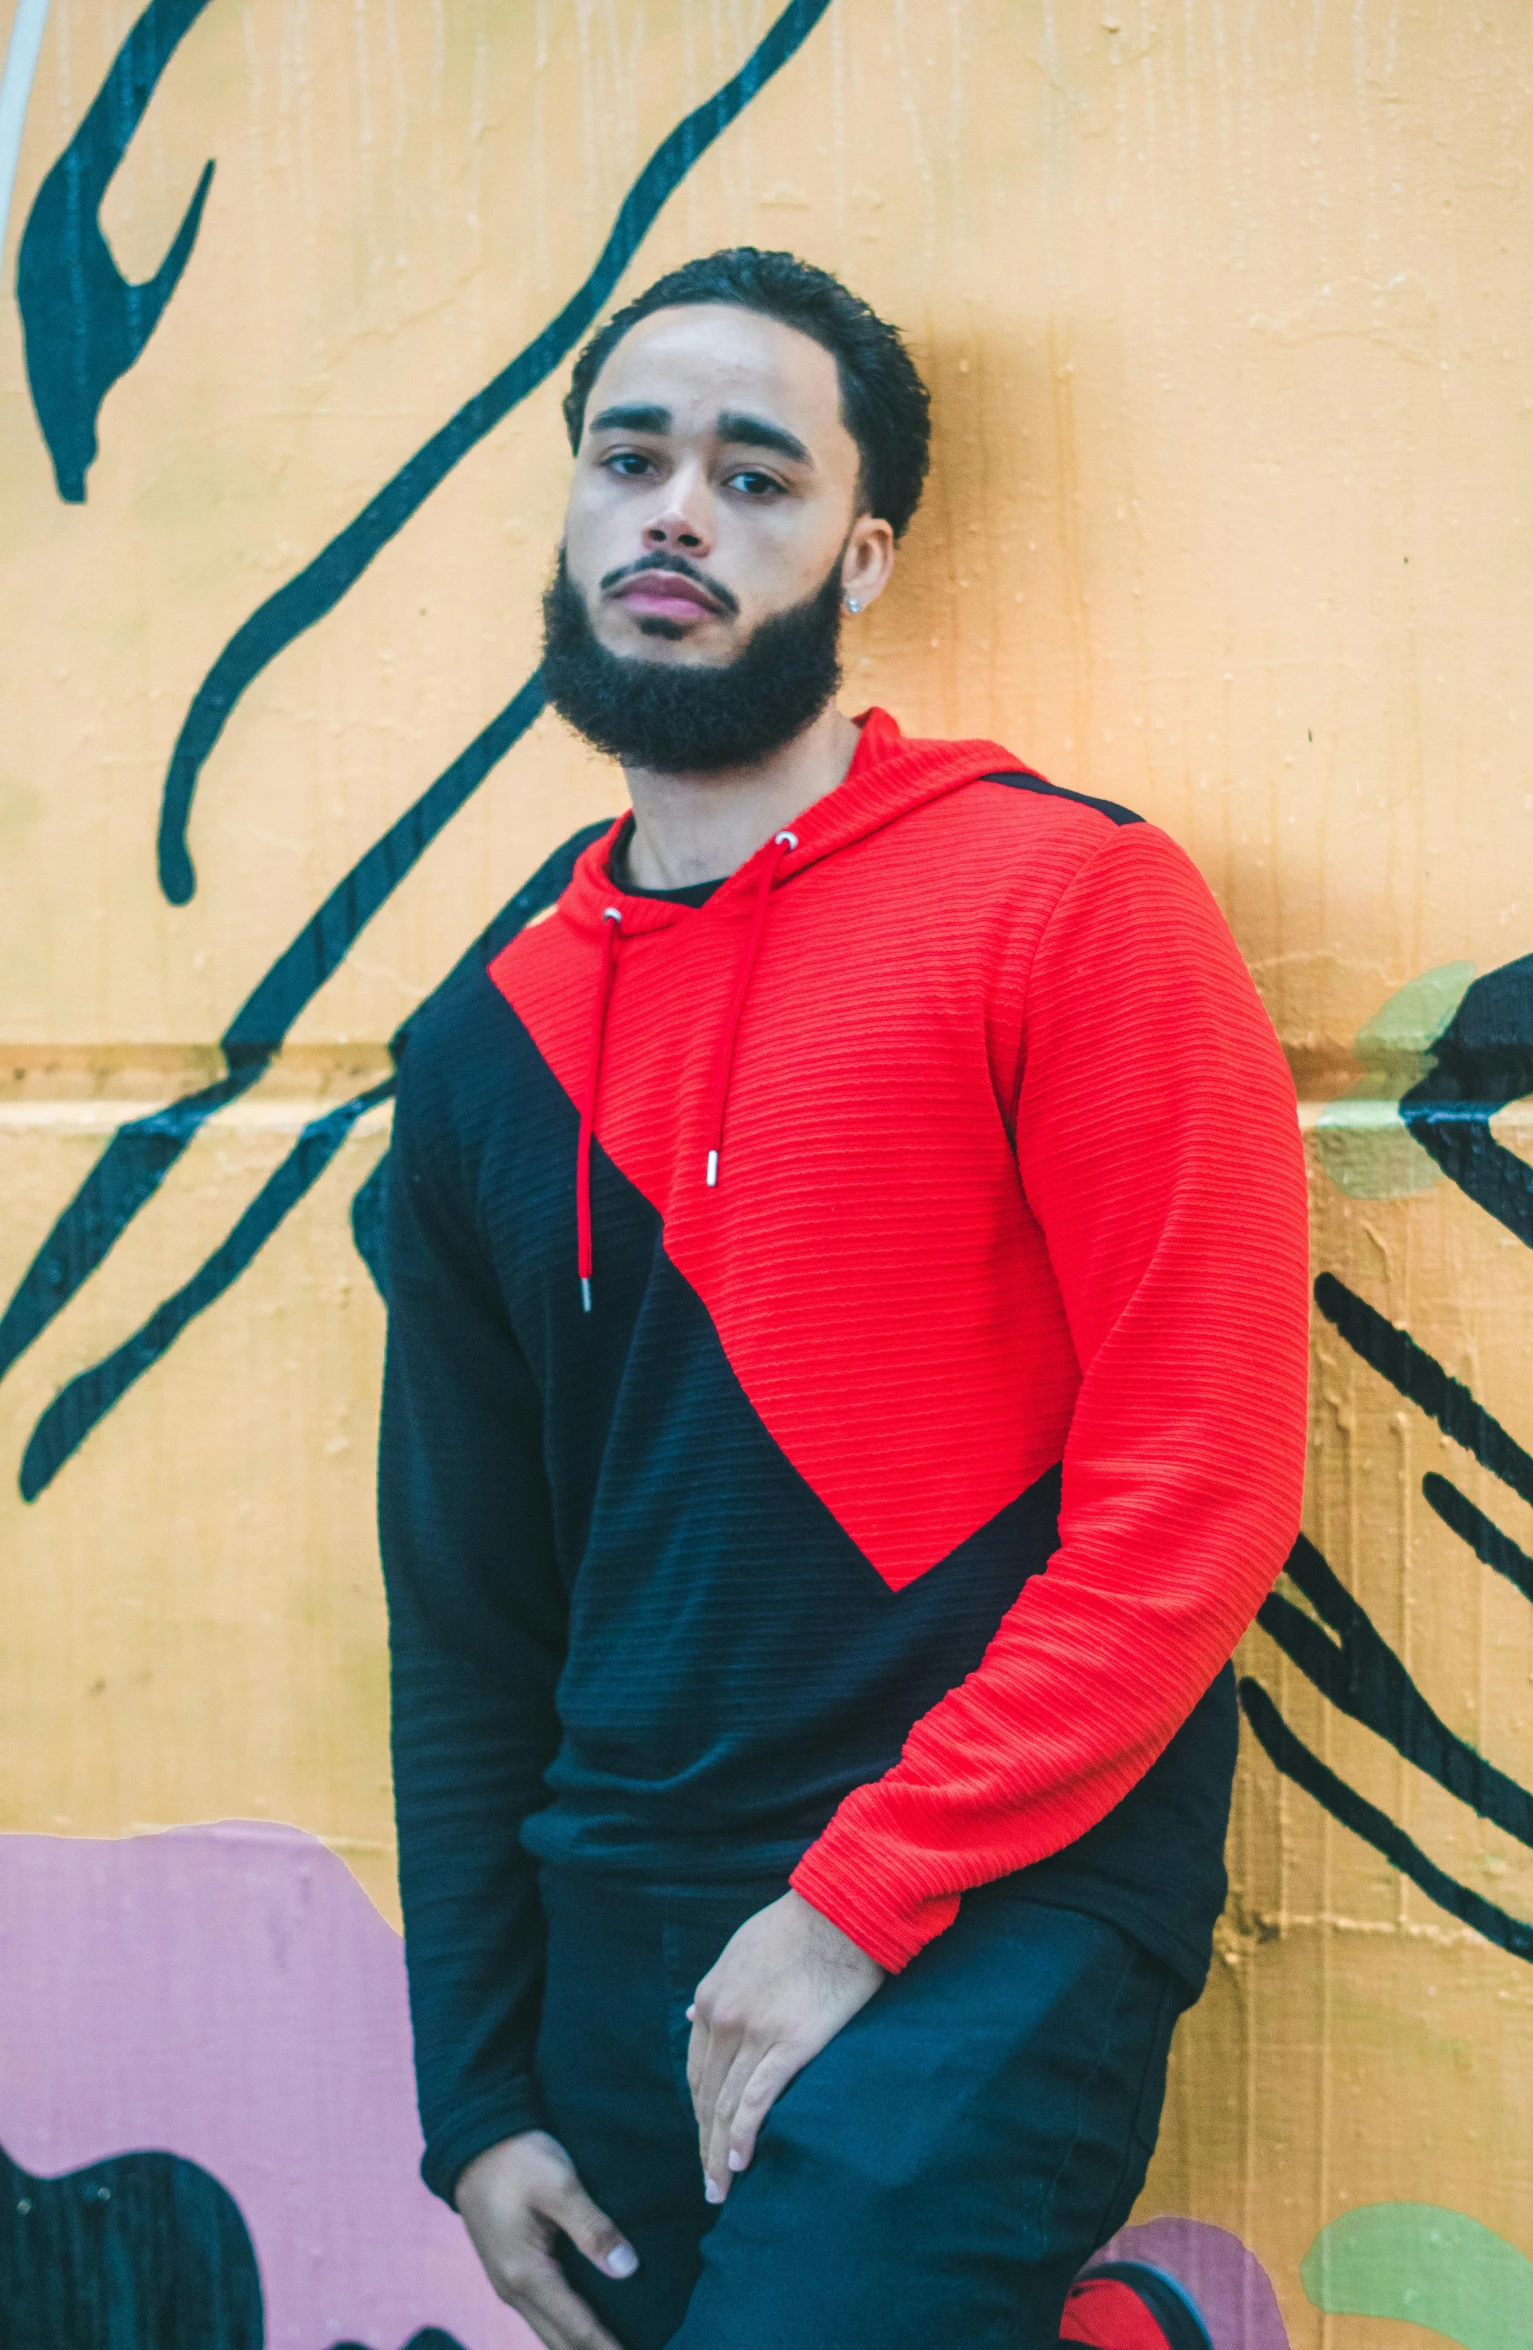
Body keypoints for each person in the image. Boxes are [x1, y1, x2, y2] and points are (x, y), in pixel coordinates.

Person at [377, 247, 1308, 2350]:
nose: (677, 511)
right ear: (575, 512)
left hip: (999, 1898)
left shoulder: (1063, 904)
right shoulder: (481, 1048)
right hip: (627, 1923)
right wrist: (477, 2090)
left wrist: (861, 1893)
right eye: (631, 458)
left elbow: (1206, 1481)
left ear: (863, 553)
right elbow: (470, 1607)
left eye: (756, 473)